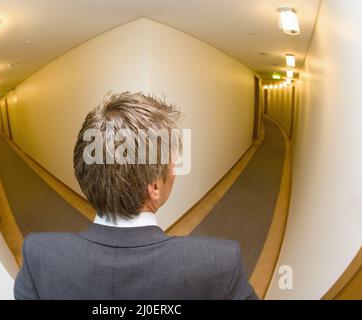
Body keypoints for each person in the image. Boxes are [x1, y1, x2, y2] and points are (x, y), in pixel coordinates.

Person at [14, 92, 258, 300]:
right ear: (153, 185)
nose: (175, 169)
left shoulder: (38, 256)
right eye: (173, 162)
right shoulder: (220, 263)